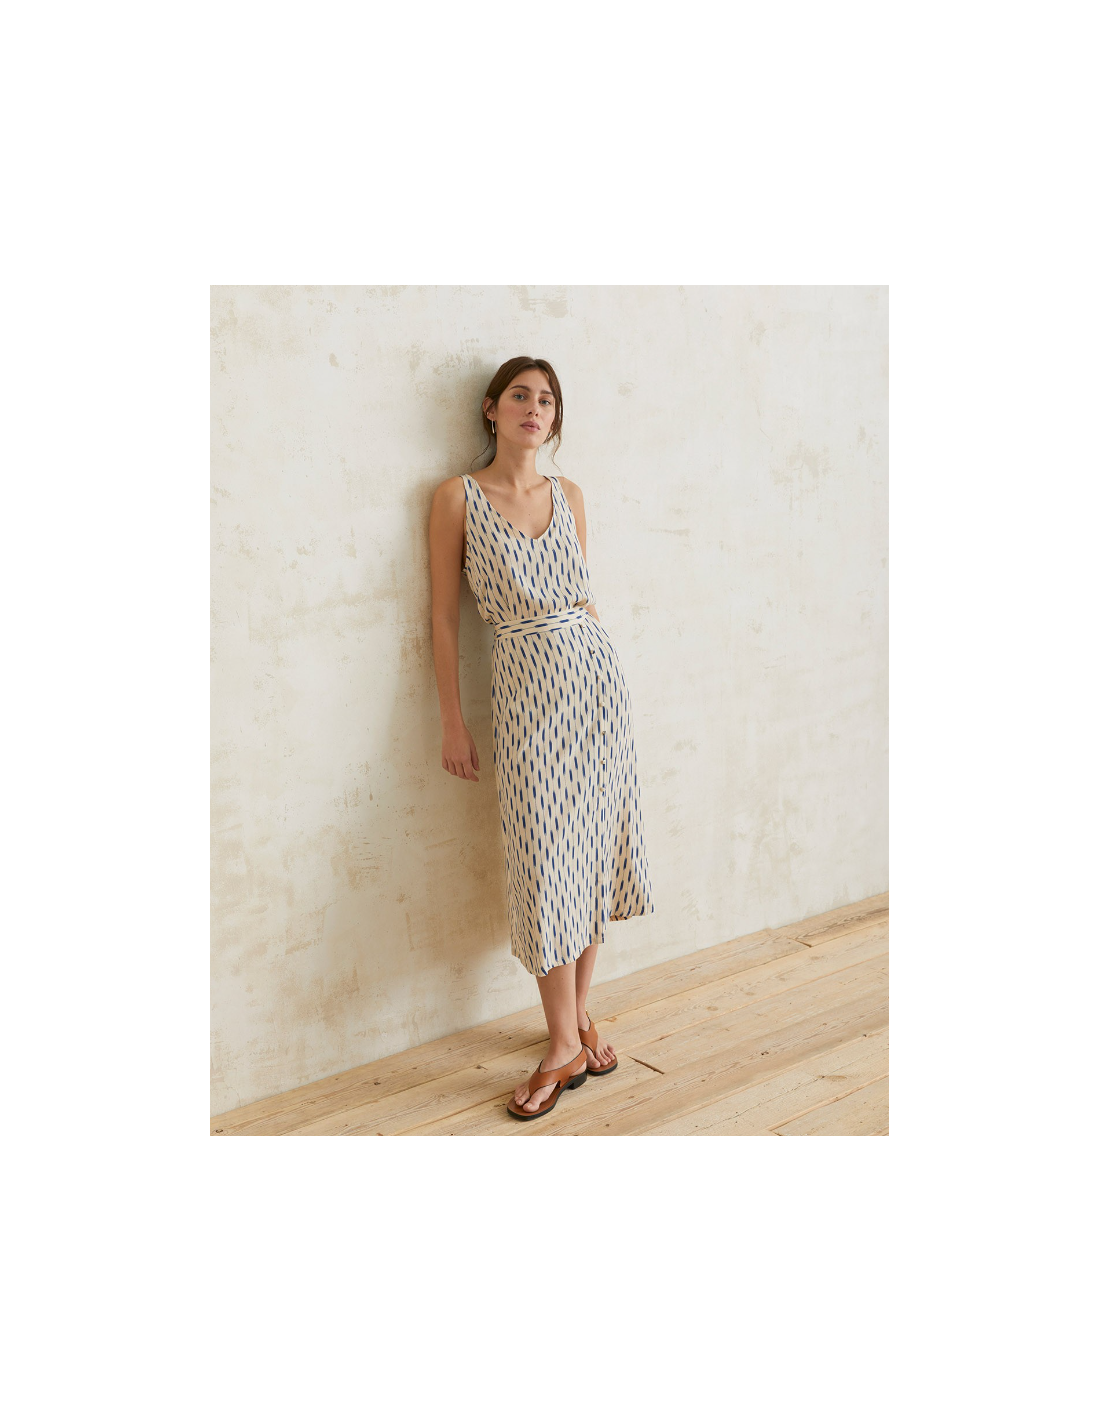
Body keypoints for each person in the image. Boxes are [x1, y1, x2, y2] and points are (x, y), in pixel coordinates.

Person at [428, 356, 655, 1121]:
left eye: (548, 400)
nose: (535, 408)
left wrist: (603, 681)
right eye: (520, 396)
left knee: (588, 858)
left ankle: (570, 1029)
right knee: (547, 864)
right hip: (526, 695)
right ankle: (566, 1039)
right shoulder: (456, 498)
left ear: (555, 418)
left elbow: (583, 599)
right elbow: (442, 618)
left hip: (596, 689)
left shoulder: (569, 495)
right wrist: (453, 720)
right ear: (491, 409)